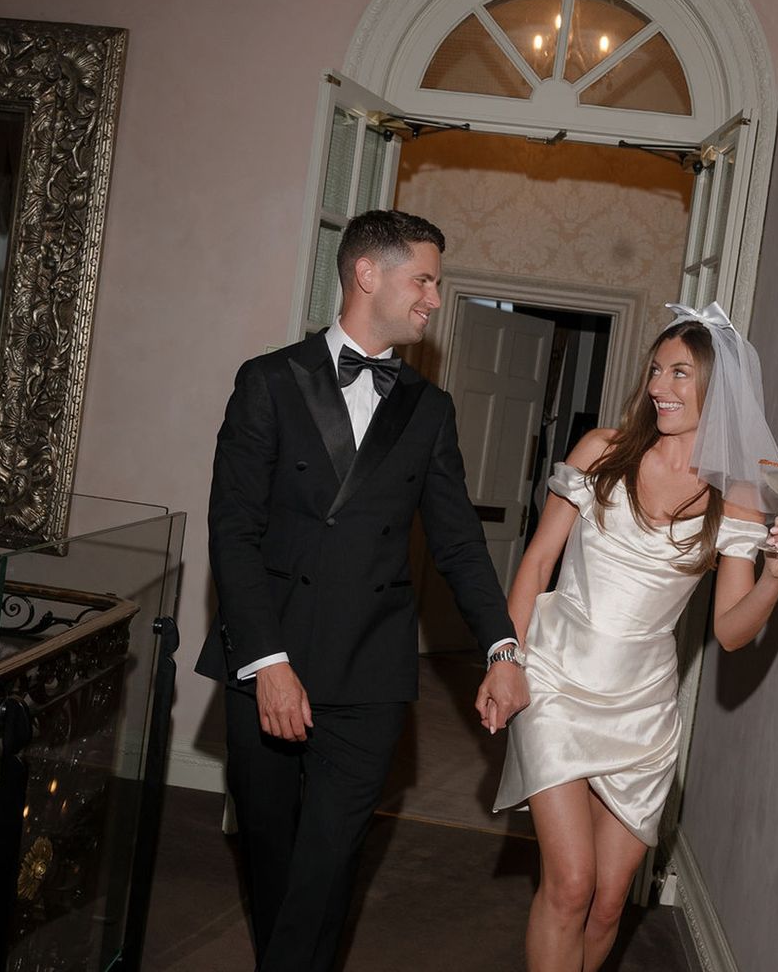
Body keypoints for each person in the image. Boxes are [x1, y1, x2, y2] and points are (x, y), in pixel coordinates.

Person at [196, 209, 529, 972]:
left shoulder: (430, 409)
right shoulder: (269, 382)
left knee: (329, 860)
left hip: (370, 670)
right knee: (273, 857)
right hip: (266, 659)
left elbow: (458, 545)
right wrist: (268, 662)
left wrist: (502, 645)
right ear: (366, 274)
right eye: (425, 280)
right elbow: (233, 533)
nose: (435, 300)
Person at [493, 302, 778, 971]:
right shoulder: (601, 452)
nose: (659, 386)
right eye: (655, 369)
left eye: (679, 373)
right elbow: (538, 562)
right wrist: (507, 661)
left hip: (643, 709)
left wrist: (774, 582)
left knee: (609, 902)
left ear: (716, 389)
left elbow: (728, 633)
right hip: (555, 677)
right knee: (571, 883)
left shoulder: (740, 497)